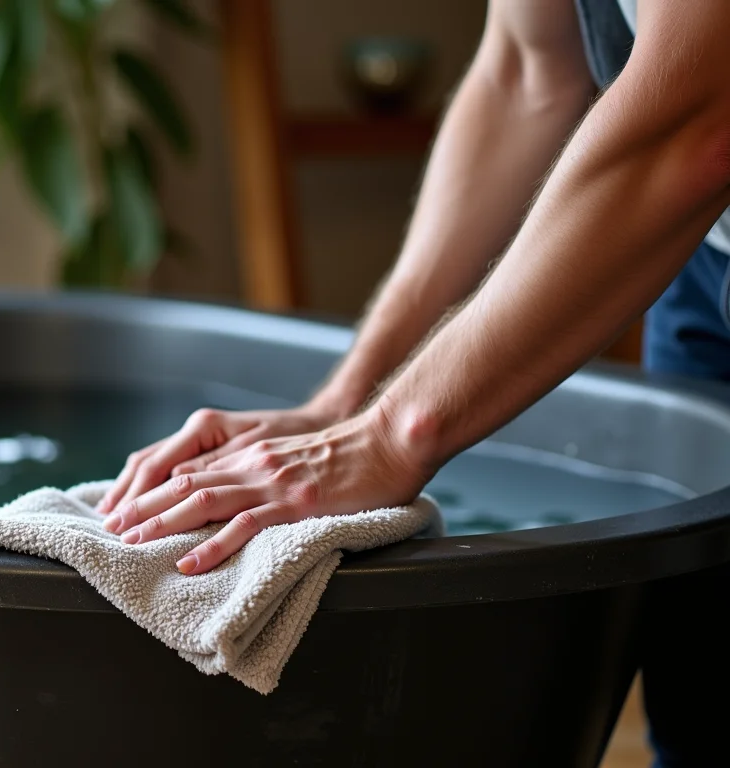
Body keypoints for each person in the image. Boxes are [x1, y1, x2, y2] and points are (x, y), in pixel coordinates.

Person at [95, 1, 730, 764]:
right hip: (708, 259)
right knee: (703, 703)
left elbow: (699, 113)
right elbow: (526, 74)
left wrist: (388, 439)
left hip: (699, 181)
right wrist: (344, 406)